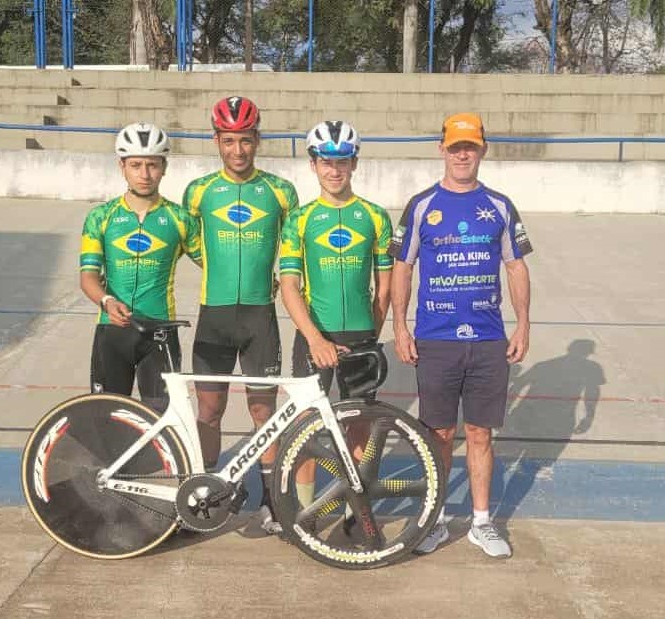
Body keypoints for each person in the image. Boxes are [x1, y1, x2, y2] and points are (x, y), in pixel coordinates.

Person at [388, 112, 533, 558]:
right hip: (436, 338)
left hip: (487, 340)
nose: (462, 154)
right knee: (438, 433)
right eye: (455, 147)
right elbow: (402, 266)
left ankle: (481, 522)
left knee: (480, 433)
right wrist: (400, 325)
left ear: (482, 150)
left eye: (470, 146)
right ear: (442, 150)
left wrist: (523, 323)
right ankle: (433, 520)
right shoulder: (421, 205)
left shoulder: (500, 205)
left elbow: (515, 266)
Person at [181, 96, 299, 534]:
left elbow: (294, 244)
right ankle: (206, 492)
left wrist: (279, 277)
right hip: (213, 316)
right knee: (209, 410)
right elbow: (187, 240)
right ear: (216, 140)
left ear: (257, 140)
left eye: (246, 140)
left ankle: (271, 501)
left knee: (263, 410)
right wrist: (216, 266)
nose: (238, 150)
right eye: (229, 141)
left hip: (259, 318)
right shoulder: (198, 191)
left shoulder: (281, 191)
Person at [280, 120, 393, 507]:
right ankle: (304, 511)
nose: (334, 170)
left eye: (342, 161)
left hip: (360, 335)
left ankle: (352, 513)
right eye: (326, 162)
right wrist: (315, 339)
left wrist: (370, 336)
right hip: (315, 337)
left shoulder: (375, 216)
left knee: (358, 427)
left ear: (354, 163)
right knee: (305, 427)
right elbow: (289, 286)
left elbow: (385, 287)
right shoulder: (300, 219)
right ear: (313, 164)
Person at [80, 122, 201, 412]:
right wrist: (107, 301)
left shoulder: (180, 219)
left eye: (152, 165)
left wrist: (266, 279)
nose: (145, 174)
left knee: (161, 418)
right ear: (122, 166)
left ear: (164, 167)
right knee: (106, 417)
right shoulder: (101, 217)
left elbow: (214, 265)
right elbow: (88, 278)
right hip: (112, 330)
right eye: (136, 165)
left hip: (160, 333)